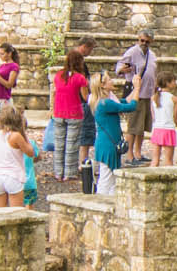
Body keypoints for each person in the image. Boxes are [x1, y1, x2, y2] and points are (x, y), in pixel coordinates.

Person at [90, 72, 138, 195]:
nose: (112, 81)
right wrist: (137, 88)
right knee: (106, 180)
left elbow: (125, 101)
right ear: (102, 85)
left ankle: (110, 200)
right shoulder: (105, 103)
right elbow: (131, 107)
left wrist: (135, 88)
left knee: (112, 179)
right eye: (109, 79)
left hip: (108, 143)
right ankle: (100, 201)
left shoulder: (106, 102)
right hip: (107, 145)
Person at [0, 103, 36, 211]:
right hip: (14, 177)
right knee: (15, 213)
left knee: (0, 213)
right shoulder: (16, 136)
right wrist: (24, 134)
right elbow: (31, 152)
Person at [49, 50, 91, 184]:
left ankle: (58, 172)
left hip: (59, 111)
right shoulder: (80, 78)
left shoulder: (58, 75)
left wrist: (52, 108)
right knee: (72, 144)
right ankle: (69, 173)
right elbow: (85, 97)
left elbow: (54, 92)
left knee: (59, 144)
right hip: (74, 112)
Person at [115, 33, 158, 159]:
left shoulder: (152, 55)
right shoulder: (132, 52)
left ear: (151, 42)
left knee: (142, 126)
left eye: (147, 41)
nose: (144, 43)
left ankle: (138, 153)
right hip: (135, 93)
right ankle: (130, 155)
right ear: (138, 40)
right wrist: (122, 70)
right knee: (133, 126)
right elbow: (119, 66)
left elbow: (154, 72)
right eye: (142, 40)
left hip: (147, 94)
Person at [148, 80, 177, 167]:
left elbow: (153, 116)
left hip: (157, 130)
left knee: (155, 160)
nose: (175, 83)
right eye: (173, 81)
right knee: (169, 161)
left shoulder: (153, 98)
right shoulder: (175, 99)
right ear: (167, 83)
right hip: (169, 130)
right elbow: (175, 118)